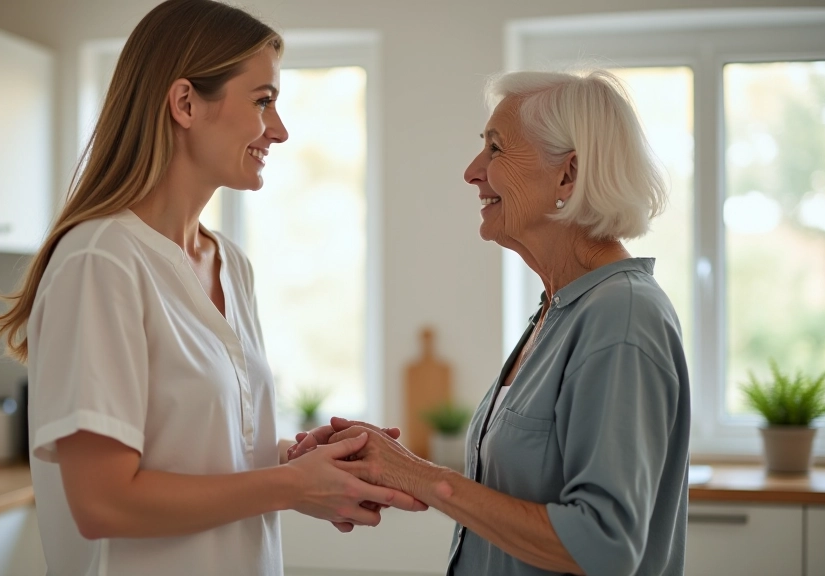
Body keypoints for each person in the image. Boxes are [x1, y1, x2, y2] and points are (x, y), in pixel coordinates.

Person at [0, 1, 424, 574]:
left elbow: (208, 457)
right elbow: (102, 502)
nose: (280, 130)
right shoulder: (101, 260)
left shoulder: (231, 265)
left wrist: (307, 463)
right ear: (185, 102)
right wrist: (290, 485)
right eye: (263, 100)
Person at [291, 70, 691, 576]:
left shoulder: (623, 315)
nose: (472, 171)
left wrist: (420, 476)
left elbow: (603, 546)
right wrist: (386, 460)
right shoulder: (555, 311)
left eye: (496, 149)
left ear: (567, 175)